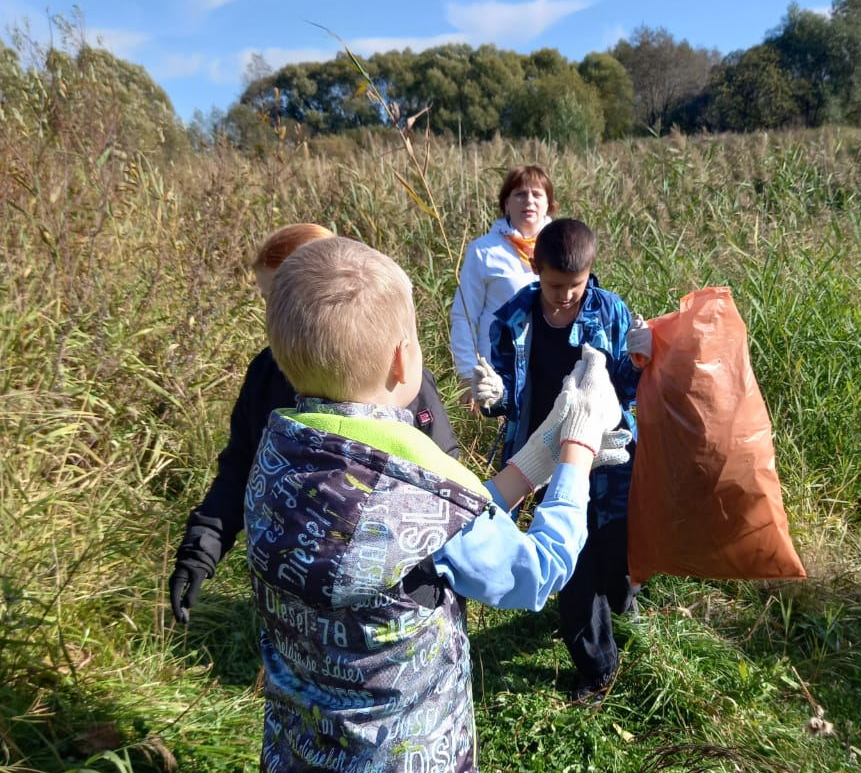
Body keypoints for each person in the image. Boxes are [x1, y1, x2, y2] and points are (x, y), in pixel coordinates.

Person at [243, 235, 627, 773]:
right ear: (400, 364)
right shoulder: (415, 486)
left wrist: (539, 453)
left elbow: (431, 532)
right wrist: (581, 452)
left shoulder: (284, 454)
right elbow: (534, 571)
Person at [168, 223, 459, 625]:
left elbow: (446, 470)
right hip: (297, 600)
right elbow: (240, 466)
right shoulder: (267, 374)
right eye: (269, 302)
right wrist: (201, 548)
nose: (276, 318)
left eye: (281, 298)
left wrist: (448, 576)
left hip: (398, 599)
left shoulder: (397, 377)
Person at [472, 218, 652, 703]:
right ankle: (598, 668)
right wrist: (492, 395)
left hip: (609, 457)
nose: (565, 297)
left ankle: (624, 602)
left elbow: (627, 395)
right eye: (555, 286)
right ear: (536, 269)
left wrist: (642, 362)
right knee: (573, 565)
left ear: (590, 273)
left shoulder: (610, 311)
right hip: (548, 458)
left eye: (575, 286)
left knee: (616, 555)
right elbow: (507, 393)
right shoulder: (512, 319)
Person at [449, 163, 556, 405]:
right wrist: (468, 374)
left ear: (548, 203)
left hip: (551, 369)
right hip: (498, 373)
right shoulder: (484, 251)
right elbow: (465, 315)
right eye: (519, 194)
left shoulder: (562, 246)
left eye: (537, 194)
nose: (529, 201)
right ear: (506, 203)